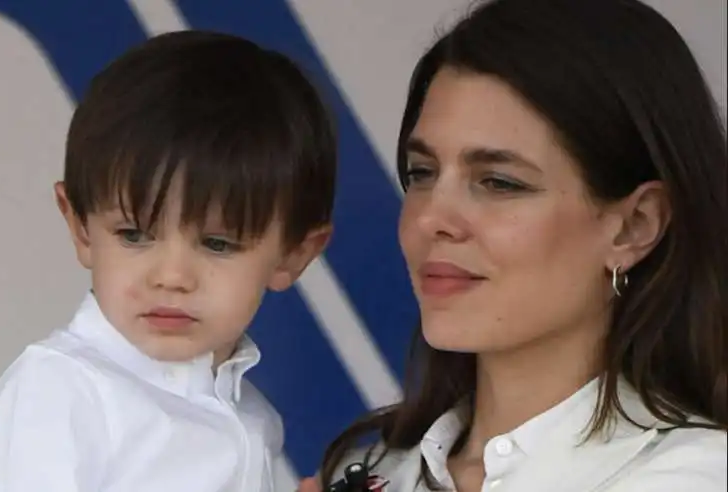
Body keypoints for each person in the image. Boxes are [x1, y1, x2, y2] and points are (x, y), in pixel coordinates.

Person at [301, 0, 728, 491]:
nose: (431, 218)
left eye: (499, 182)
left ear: (635, 225)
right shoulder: (367, 471)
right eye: (422, 173)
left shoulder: (695, 475)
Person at [0, 30, 335, 492]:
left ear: (294, 253)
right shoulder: (56, 393)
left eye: (217, 244)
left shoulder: (254, 417)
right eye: (134, 234)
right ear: (80, 228)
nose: (171, 277)